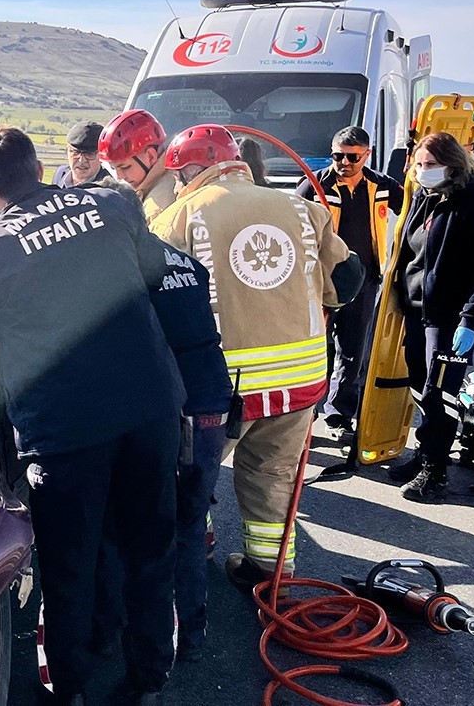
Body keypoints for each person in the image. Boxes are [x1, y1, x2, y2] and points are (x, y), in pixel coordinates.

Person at [0, 126, 196, 706]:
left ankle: (70, 691)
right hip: (147, 406)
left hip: (64, 430)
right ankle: (149, 681)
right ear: (39, 168)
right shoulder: (111, 204)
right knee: (151, 549)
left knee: (68, 566)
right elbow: (155, 272)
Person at [151, 126, 362, 589]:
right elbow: (347, 281)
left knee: (189, 476)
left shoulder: (178, 217)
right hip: (301, 379)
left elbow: (159, 302)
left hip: (222, 387)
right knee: (274, 475)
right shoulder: (302, 208)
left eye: (178, 176)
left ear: (189, 170)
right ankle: (270, 576)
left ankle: (195, 550)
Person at [386, 132, 474, 502]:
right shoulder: (425, 197)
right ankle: (425, 453)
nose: (423, 171)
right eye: (419, 164)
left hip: (448, 318)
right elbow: (409, 252)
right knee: (421, 389)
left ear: (452, 164)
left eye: (431, 164)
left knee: (441, 394)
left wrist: (471, 320)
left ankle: (435, 474)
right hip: (416, 309)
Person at [296, 126, 404, 443]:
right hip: (320, 281)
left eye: (352, 157)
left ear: (367, 155)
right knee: (314, 349)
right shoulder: (315, 184)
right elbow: (291, 219)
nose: (344, 163)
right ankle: (303, 415)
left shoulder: (381, 185)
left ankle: (339, 414)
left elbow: (413, 209)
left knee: (352, 350)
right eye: (338, 156)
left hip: (364, 280)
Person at [98, 109, 178, 223]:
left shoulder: (156, 208)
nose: (119, 176)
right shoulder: (165, 180)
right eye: (113, 168)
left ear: (150, 156)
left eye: (125, 167)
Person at [52, 121, 110, 188]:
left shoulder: (110, 187)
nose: (81, 160)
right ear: (67, 151)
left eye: (89, 154)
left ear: (103, 156)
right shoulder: (60, 174)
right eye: (75, 152)